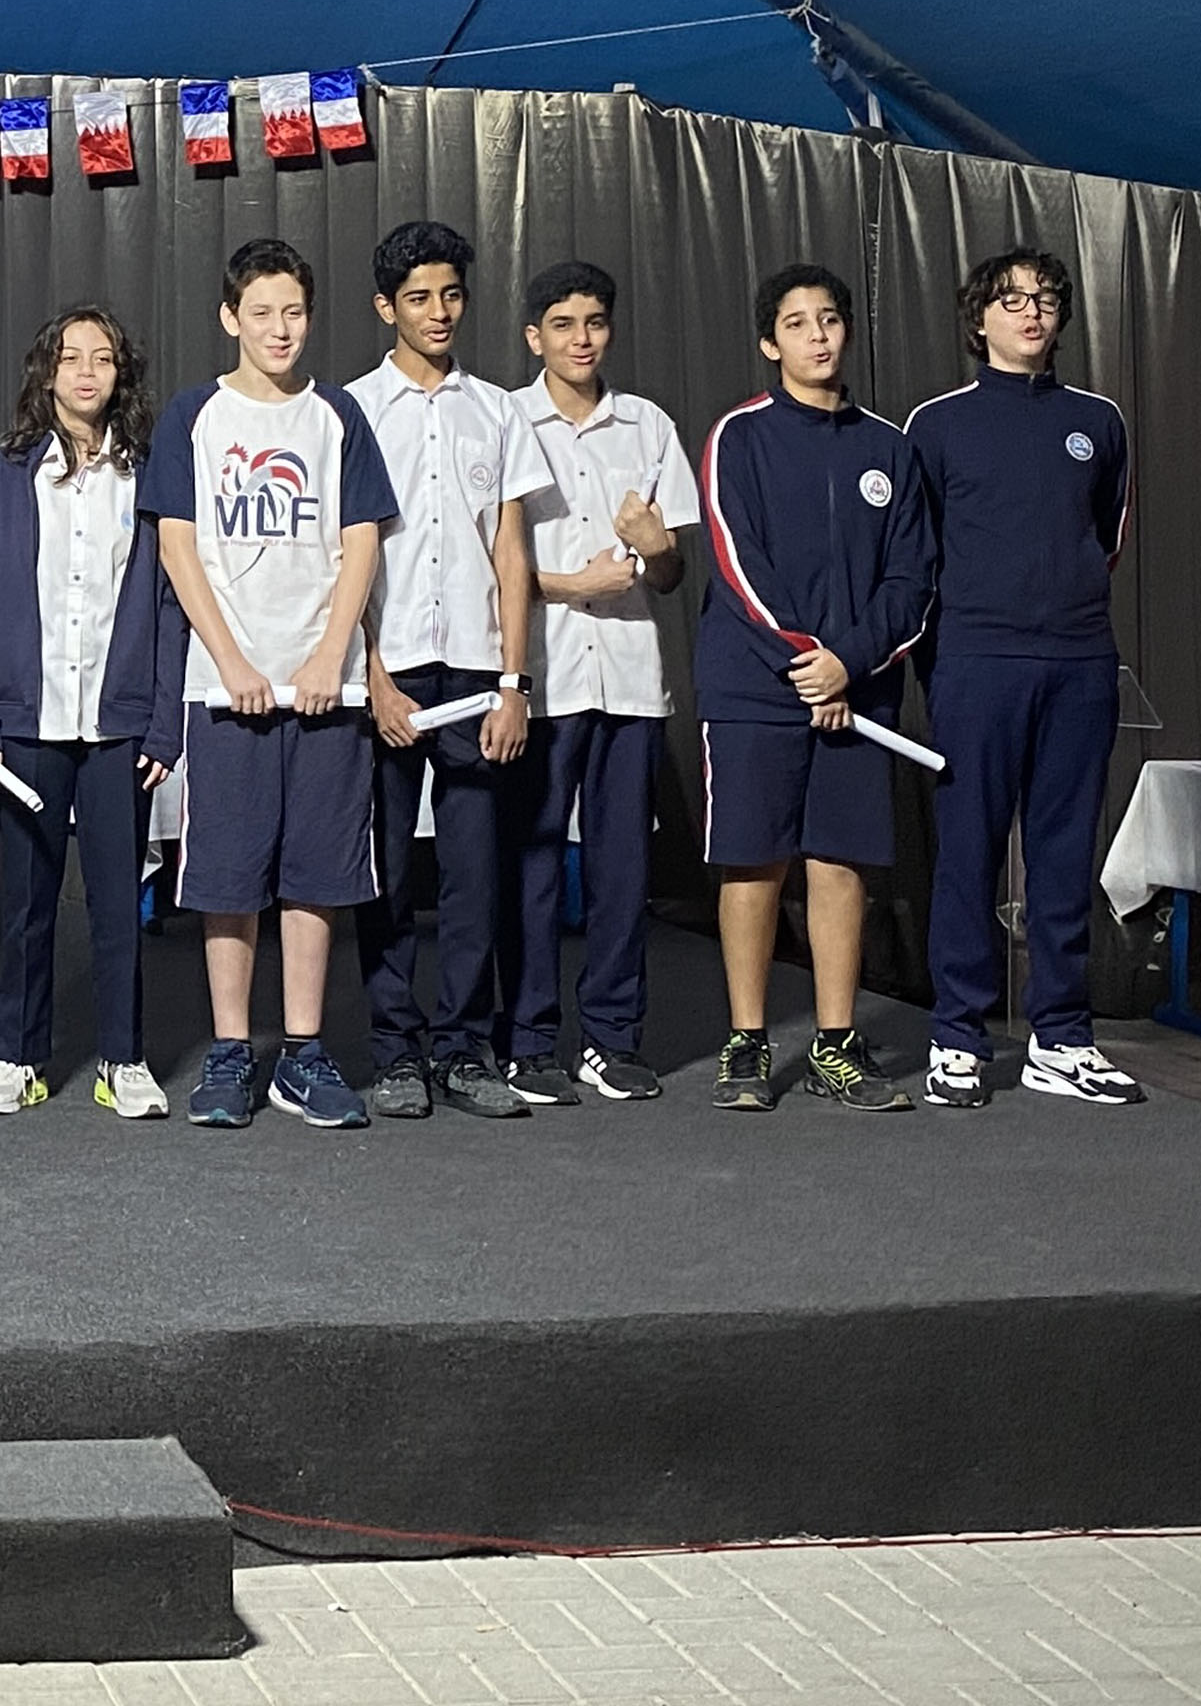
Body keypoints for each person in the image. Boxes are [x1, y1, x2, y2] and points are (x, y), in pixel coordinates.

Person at [140, 238, 395, 1132]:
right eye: (261, 313)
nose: (279, 329)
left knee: (316, 875)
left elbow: (361, 541)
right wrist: (233, 661)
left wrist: (331, 656)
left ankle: (303, 1053)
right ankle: (228, 1052)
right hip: (226, 690)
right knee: (228, 876)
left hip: (326, 690)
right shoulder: (194, 416)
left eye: (293, 312)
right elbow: (177, 546)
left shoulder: (337, 415)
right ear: (230, 319)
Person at [905, 248, 1145, 1108]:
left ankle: (1062, 1038)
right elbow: (918, 551)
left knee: (1064, 855)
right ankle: (957, 1038)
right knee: (968, 854)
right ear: (979, 320)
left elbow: (1103, 538)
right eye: (1010, 301)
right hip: (975, 663)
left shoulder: (1098, 421)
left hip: (1079, 663)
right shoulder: (936, 424)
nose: (1031, 312)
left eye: (1044, 299)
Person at [697, 263, 936, 1112]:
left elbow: (912, 580)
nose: (818, 336)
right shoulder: (739, 437)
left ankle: (837, 1044)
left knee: (839, 863)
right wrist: (807, 663)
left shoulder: (888, 448)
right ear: (771, 343)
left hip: (856, 694)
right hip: (756, 687)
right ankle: (747, 1044)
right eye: (797, 324)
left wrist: (849, 664)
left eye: (829, 319)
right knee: (754, 860)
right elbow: (736, 561)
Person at [0, 306, 184, 1118]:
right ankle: (18, 1058)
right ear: (47, 372)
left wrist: (164, 723)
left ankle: (124, 1058)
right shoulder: (6, 472)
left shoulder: (149, 473)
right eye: (71, 357)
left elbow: (170, 607)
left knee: (119, 904)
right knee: (27, 903)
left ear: (122, 374)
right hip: (27, 724)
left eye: (103, 358)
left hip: (120, 729)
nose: (87, 372)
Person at [345, 220, 547, 1122]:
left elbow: (510, 552)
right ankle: (395, 1050)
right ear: (385, 307)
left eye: (452, 295)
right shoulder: (351, 411)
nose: (439, 312)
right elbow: (343, 556)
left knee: (474, 873)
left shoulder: (497, 410)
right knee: (386, 871)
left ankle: (465, 1050)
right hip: (387, 671)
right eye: (419, 298)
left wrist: (513, 683)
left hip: (474, 673)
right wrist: (371, 675)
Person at [502, 261, 698, 1106]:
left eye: (594, 322)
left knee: (623, 867)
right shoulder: (507, 420)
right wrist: (569, 585)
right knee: (533, 863)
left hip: (627, 678)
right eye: (563, 324)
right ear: (533, 337)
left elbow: (670, 574)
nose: (581, 339)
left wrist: (655, 548)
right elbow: (488, 561)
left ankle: (613, 1039)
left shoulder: (647, 425)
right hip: (542, 678)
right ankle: (527, 1041)